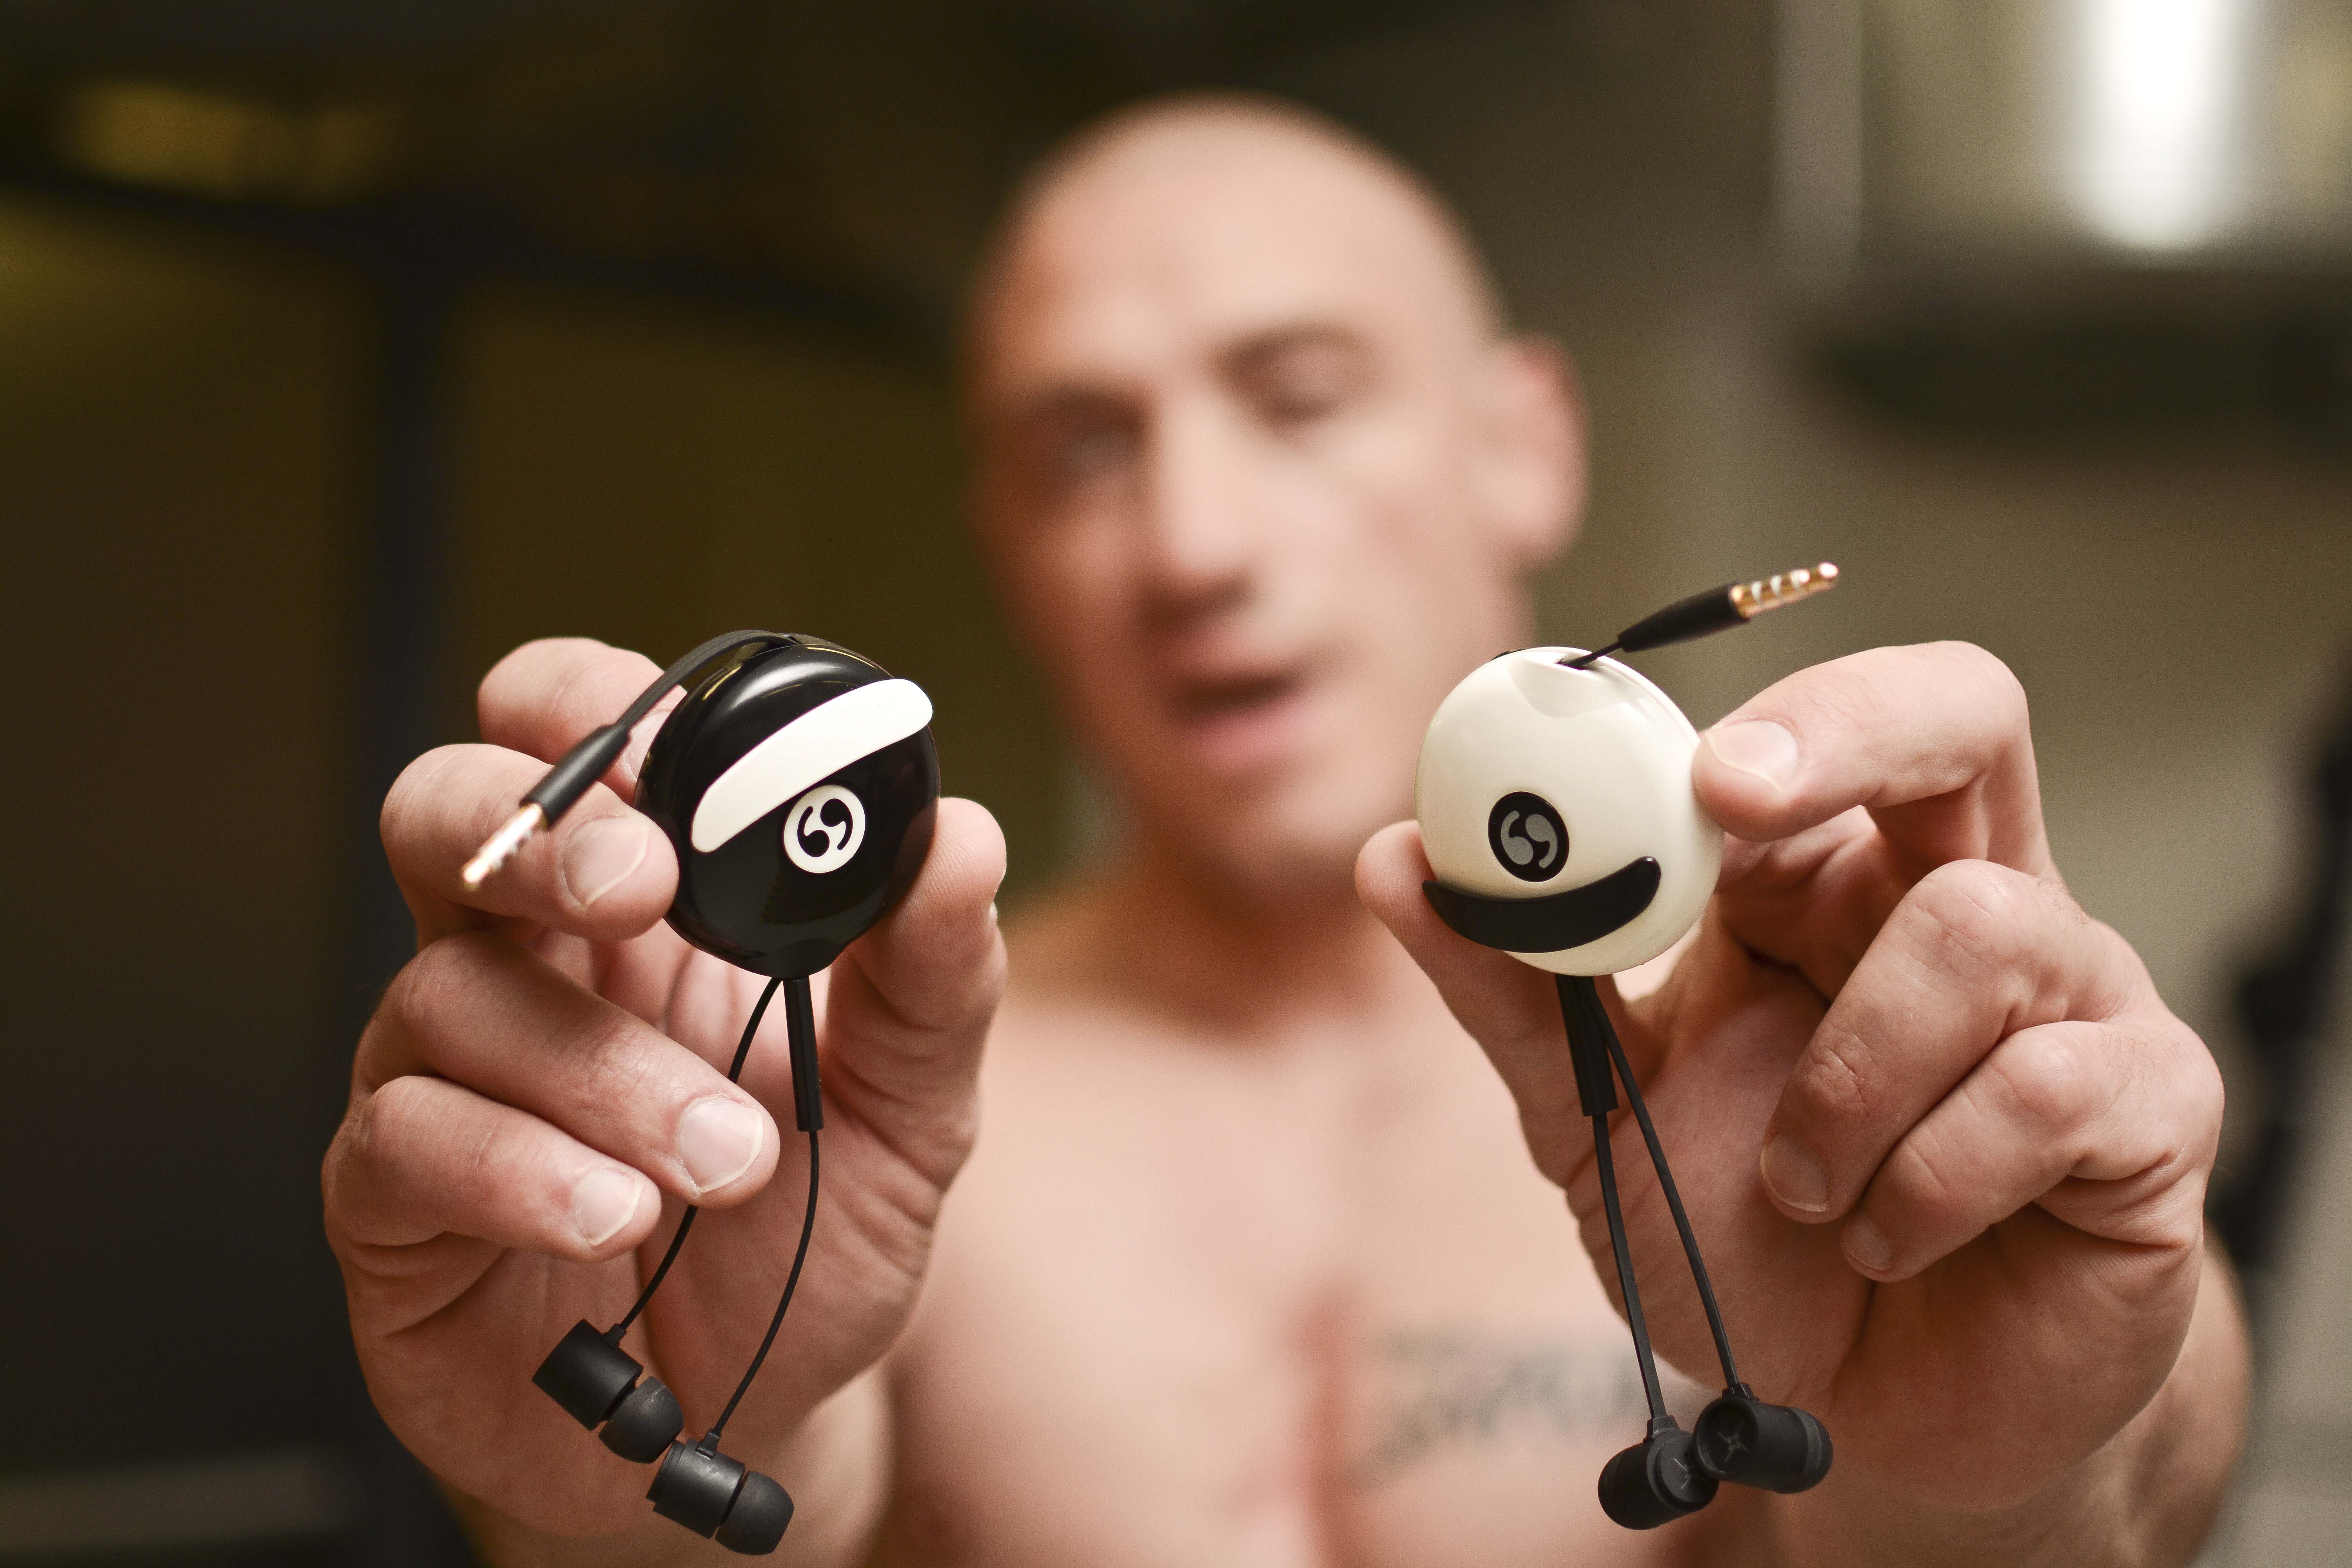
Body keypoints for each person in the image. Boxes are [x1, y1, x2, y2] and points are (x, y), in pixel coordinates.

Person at [325, 96, 2249, 1565]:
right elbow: (750, 1505)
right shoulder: (825, 1101)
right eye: (1085, 448)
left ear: (1525, 443)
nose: (1193, 545)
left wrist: (2013, 1486)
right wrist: (611, 1484)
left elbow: (2132, 1479)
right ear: (1009, 547)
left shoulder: (1845, 1063)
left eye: (1300, 397)